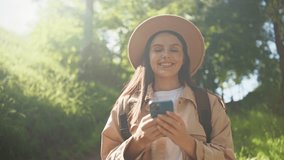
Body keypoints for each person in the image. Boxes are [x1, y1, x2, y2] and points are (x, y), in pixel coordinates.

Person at [101, 14, 235, 160]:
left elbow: (227, 156)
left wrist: (186, 142)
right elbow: (108, 156)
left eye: (174, 50)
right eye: (158, 49)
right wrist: (138, 141)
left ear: (184, 58)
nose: (165, 55)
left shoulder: (209, 103)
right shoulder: (125, 105)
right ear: (148, 57)